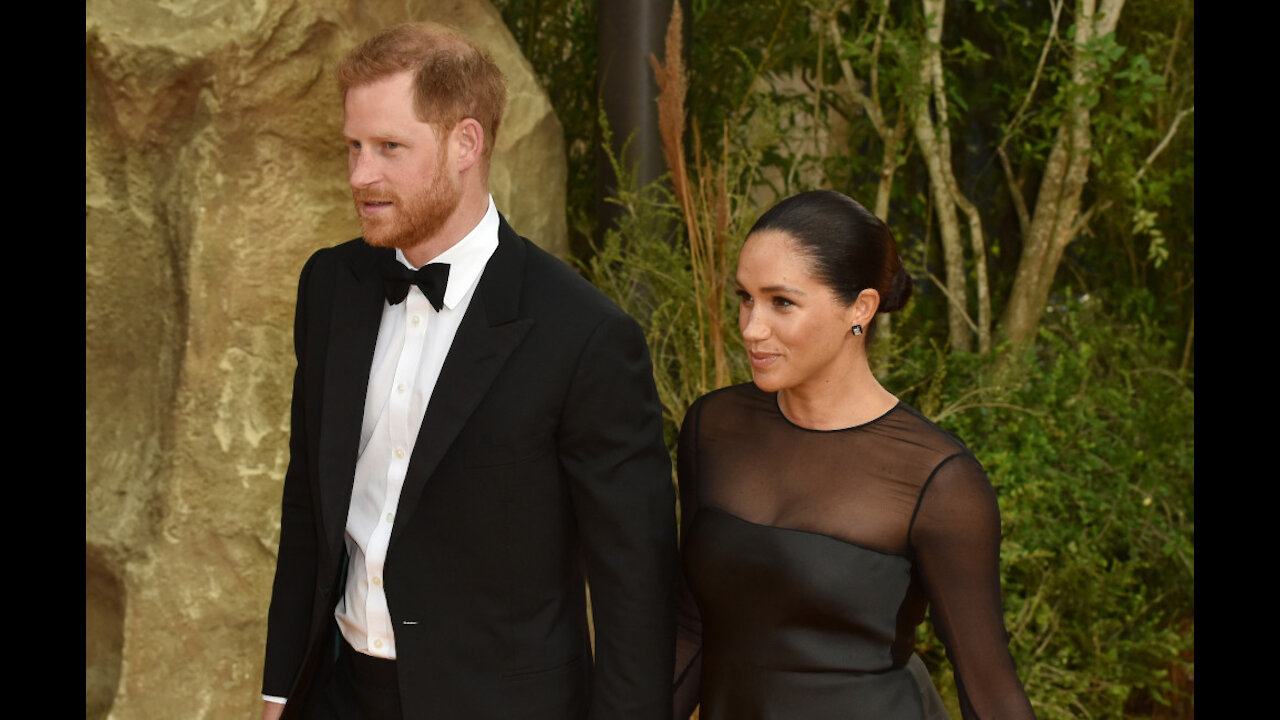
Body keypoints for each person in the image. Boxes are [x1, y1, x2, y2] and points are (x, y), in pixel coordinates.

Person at [261, 22, 677, 720]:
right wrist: (279, 694)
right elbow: (308, 501)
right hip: (336, 694)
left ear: (465, 143)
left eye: (390, 147)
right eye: (354, 147)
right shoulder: (330, 287)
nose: (362, 175)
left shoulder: (586, 336)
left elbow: (634, 587)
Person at [672, 190, 1035, 719]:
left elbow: (989, 687)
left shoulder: (936, 479)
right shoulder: (714, 427)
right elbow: (690, 624)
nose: (752, 328)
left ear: (859, 309)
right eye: (745, 298)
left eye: (782, 302)